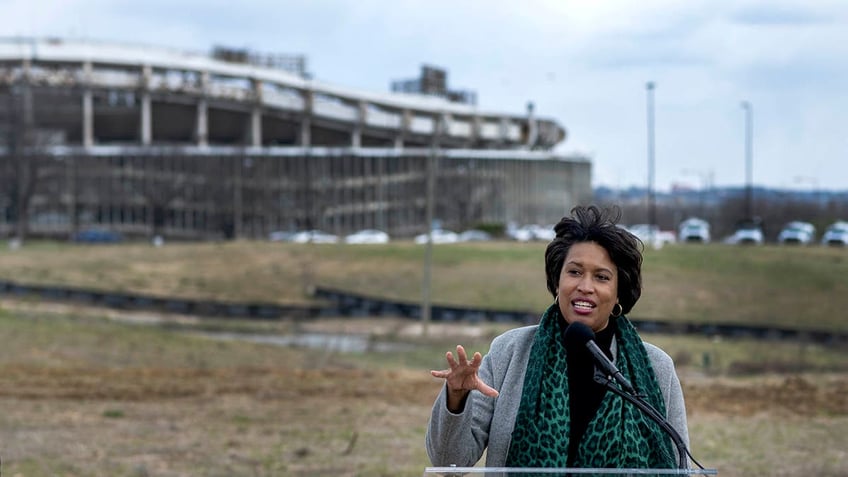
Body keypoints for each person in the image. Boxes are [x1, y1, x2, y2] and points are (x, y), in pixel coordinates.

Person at [426, 205, 689, 469]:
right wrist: (456, 398)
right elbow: (450, 462)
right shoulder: (510, 352)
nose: (585, 287)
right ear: (557, 280)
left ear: (620, 291)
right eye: (574, 272)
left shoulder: (657, 368)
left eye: (601, 277)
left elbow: (679, 467)